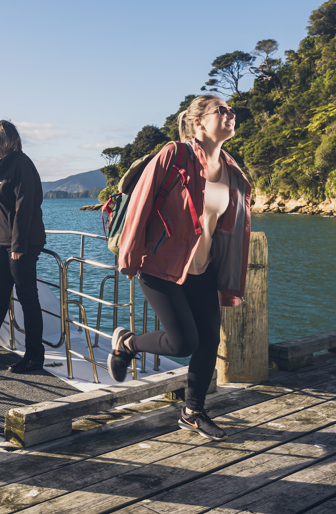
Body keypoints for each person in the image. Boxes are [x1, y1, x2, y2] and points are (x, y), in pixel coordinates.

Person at [109, 95, 252, 441]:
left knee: (208, 341)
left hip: (202, 269)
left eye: (232, 110)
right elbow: (142, 202)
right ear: (200, 122)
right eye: (222, 110)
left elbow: (228, 229)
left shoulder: (233, 171)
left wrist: (230, 275)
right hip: (159, 266)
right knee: (183, 342)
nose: (231, 114)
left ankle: (193, 412)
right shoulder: (174, 155)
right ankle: (128, 344)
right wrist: (128, 256)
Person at [0, 120, 47, 374]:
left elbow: (25, 206)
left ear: (2, 140)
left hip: (21, 243)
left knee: (27, 297)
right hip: (8, 243)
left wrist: (18, 245)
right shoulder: (6, 166)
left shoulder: (21, 165)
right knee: (0, 292)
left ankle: (34, 356)